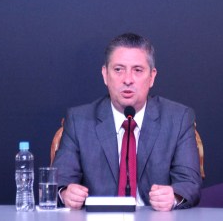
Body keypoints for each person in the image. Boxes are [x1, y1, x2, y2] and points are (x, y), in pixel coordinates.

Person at [53, 33, 202, 211]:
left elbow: (190, 183)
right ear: (105, 75)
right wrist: (66, 193)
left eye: (138, 70)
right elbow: (60, 181)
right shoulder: (79, 120)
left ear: (152, 77)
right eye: (118, 69)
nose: (128, 79)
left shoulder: (178, 118)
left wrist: (173, 196)